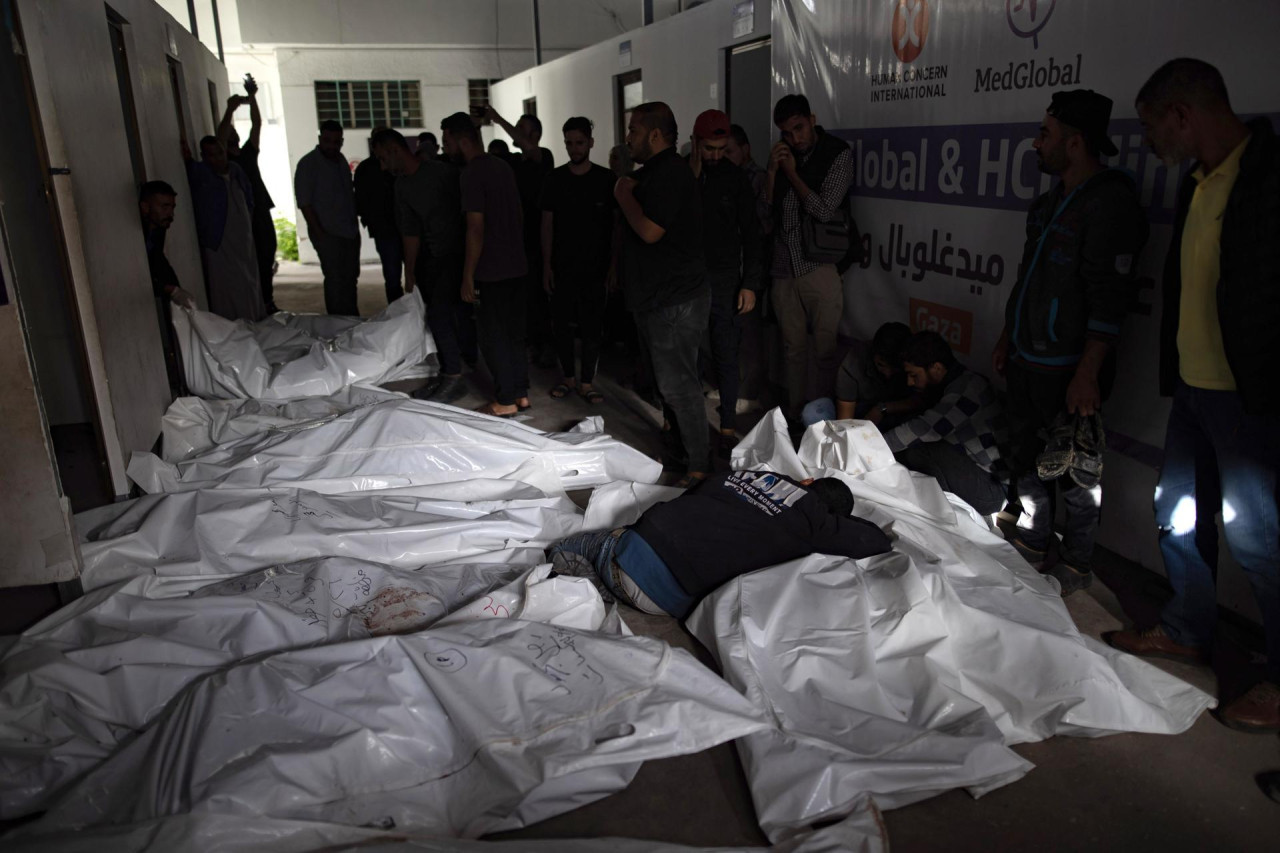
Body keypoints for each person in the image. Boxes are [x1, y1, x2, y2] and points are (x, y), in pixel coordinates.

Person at [1106, 59, 1280, 732]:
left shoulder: (1268, 175)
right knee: (1176, 511)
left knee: (1260, 541)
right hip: (1194, 392)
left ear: (1182, 115)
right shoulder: (1197, 182)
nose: (1150, 143)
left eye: (1153, 127)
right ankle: (1186, 626)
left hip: (1252, 399)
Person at [992, 89, 1149, 595]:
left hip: (1071, 368)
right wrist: (1006, 336)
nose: (1036, 144)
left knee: (1076, 470)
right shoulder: (1046, 205)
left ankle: (1078, 561)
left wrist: (1087, 373)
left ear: (1076, 142)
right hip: (1027, 358)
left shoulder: (1110, 202)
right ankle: (1035, 540)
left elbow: (1111, 298)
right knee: (1027, 456)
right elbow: (1026, 278)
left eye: (1046, 134)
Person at [549, 471, 891, 618]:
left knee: (563, 545)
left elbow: (695, 496)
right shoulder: (815, 524)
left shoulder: (753, 475)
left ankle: (594, 577)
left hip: (629, 550)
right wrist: (834, 520)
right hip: (665, 602)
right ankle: (600, 587)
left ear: (806, 482)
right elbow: (876, 539)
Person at [616, 102, 709, 487]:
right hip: (660, 297)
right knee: (668, 384)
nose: (628, 138)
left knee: (678, 385)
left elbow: (651, 231)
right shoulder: (655, 173)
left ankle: (700, 467)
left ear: (655, 135)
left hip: (676, 299)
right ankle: (682, 452)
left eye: (633, 131)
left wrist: (623, 194)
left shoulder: (669, 173)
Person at [767, 94, 855, 428]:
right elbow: (764, 212)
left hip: (819, 264)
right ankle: (795, 415)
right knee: (793, 348)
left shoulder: (837, 154)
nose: (795, 138)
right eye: (786, 133)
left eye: (799, 128)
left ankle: (819, 420)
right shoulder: (782, 155)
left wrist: (791, 173)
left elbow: (823, 210)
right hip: (783, 265)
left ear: (812, 119)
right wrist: (775, 171)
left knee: (824, 349)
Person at [371, 128, 473, 404]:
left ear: (395, 150)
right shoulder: (401, 186)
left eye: (382, 158)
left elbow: (473, 213)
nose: (382, 165)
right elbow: (410, 233)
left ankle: (455, 376)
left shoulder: (442, 174)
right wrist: (410, 271)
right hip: (433, 260)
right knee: (437, 316)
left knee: (443, 316)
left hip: (457, 255)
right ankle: (450, 372)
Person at [442, 111, 530, 417]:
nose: (445, 147)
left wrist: (468, 276)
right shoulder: (502, 167)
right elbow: (518, 214)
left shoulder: (471, 174)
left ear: (460, 139)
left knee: (493, 337)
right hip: (517, 265)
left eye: (447, 140)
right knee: (515, 333)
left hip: (491, 269)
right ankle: (520, 393)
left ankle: (505, 401)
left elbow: (475, 227)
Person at [689, 109, 763, 456]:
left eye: (721, 149)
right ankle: (679, 424)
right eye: (709, 149)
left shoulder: (735, 179)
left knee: (726, 353)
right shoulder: (681, 175)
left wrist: (749, 283)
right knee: (685, 354)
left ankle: (728, 426)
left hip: (725, 281)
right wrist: (693, 171)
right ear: (695, 143)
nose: (716, 156)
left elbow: (752, 234)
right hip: (685, 281)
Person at [885, 332, 1009, 517]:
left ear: (936, 368)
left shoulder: (967, 390)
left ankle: (948, 516)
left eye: (913, 375)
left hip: (992, 490)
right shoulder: (955, 382)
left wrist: (872, 446)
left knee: (921, 450)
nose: (910, 382)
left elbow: (925, 429)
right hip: (980, 476)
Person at [540, 116, 616, 404]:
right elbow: (546, 223)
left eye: (579, 142)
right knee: (561, 325)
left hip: (595, 267)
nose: (574, 148)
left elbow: (616, 227)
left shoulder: (606, 180)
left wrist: (613, 266)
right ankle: (568, 378)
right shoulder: (555, 179)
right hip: (562, 265)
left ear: (591, 143)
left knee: (591, 327)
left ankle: (586, 382)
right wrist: (546, 264)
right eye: (569, 143)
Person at [485, 107, 556, 365]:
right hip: (518, 239)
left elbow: (530, 149)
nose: (515, 130)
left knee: (540, 295)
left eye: (520, 127)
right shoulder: (515, 162)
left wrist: (498, 119)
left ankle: (545, 345)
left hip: (540, 239)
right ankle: (530, 341)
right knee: (523, 295)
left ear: (534, 134)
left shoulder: (543, 157)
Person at [183, 135, 266, 322]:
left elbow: (249, 199)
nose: (218, 159)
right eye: (211, 155)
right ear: (204, 156)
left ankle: (253, 318)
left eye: (220, 153)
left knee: (249, 279)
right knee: (226, 285)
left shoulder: (236, 171)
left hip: (243, 237)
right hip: (220, 240)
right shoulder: (203, 174)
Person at [217, 80, 278, 314]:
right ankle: (256, 302)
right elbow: (220, 138)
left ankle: (267, 299)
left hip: (260, 208)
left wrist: (252, 98)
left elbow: (257, 124)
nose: (233, 130)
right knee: (248, 258)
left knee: (267, 251)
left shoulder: (247, 153)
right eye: (229, 129)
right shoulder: (224, 160)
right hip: (241, 214)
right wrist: (230, 109)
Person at [726, 123, 771, 413]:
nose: (723, 157)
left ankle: (750, 391)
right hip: (730, 265)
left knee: (750, 330)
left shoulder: (757, 178)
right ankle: (732, 385)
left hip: (750, 265)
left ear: (745, 150)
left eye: (729, 151)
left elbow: (759, 225)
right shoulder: (725, 178)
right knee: (731, 331)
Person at [295, 120, 361, 316]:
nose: (331, 145)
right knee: (335, 279)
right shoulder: (308, 164)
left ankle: (351, 319)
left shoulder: (340, 161)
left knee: (350, 278)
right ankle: (337, 322)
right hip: (327, 233)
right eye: (327, 141)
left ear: (341, 141)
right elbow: (304, 203)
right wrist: (319, 233)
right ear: (319, 139)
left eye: (336, 141)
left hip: (349, 232)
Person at [801, 322, 920, 427]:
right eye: (881, 365)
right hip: (858, 410)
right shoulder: (855, 361)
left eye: (895, 369)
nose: (888, 374)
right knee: (812, 412)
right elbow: (845, 421)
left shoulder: (913, 362)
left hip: (892, 412)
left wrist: (882, 408)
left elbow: (921, 401)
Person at [140, 180, 196, 393]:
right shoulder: (135, 232)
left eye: (172, 207)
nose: (170, 213)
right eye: (164, 206)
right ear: (145, 207)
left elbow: (157, 260)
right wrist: (167, 289)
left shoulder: (159, 227)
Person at [354, 130, 404, 304]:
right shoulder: (367, 169)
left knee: (397, 277)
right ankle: (400, 314)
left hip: (396, 227)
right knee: (393, 277)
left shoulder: (368, 168)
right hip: (386, 228)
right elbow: (360, 199)